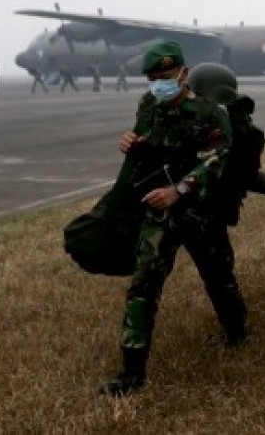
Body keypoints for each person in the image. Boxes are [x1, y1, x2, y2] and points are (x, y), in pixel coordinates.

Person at [98, 41, 248, 396]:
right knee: (142, 286)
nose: (157, 84)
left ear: (183, 73)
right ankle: (132, 372)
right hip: (159, 210)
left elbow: (217, 161)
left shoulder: (211, 112)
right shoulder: (149, 104)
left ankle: (236, 330)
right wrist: (133, 142)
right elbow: (150, 145)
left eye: (164, 77)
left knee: (218, 276)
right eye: (151, 78)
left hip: (198, 210)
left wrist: (179, 190)